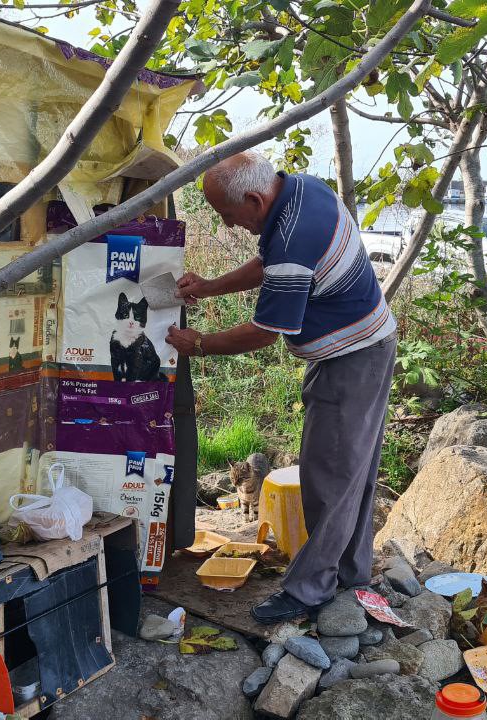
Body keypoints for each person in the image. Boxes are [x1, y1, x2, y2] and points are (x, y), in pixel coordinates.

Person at [165, 151, 398, 624]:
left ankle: (309, 590)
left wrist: (200, 344)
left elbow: (264, 330)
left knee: (329, 479)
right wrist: (209, 287)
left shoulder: (292, 237)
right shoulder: (301, 191)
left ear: (254, 198)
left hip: (350, 359)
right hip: (365, 343)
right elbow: (267, 264)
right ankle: (350, 575)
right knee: (353, 472)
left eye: (229, 216)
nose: (230, 227)